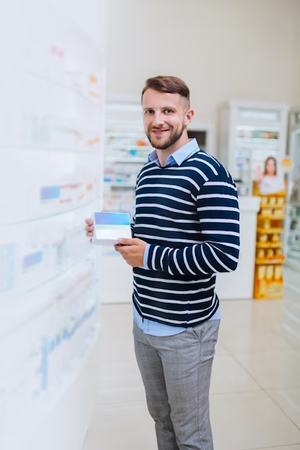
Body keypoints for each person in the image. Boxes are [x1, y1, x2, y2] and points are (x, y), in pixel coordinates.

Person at [85, 76, 240, 450]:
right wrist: (109, 228)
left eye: (168, 110)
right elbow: (153, 228)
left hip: (187, 330)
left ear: (187, 115)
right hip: (144, 321)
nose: (158, 119)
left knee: (191, 433)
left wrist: (149, 256)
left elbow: (224, 254)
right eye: (150, 111)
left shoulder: (209, 173)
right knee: (162, 419)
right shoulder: (147, 171)